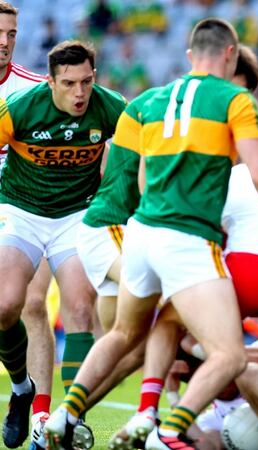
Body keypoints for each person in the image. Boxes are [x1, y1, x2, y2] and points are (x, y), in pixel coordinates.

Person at [43, 18, 258, 450]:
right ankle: (168, 429)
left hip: (139, 231)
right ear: (229, 55)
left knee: (129, 337)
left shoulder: (151, 101)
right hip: (167, 235)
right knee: (228, 354)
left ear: (190, 56)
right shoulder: (233, 101)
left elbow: (140, 174)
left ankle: (70, 415)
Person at [0, 39, 127, 449]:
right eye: (69, 83)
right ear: (50, 81)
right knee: (5, 306)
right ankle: (22, 389)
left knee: (80, 307)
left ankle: (71, 418)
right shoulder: (19, 107)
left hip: (77, 215)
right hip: (21, 210)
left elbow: (138, 153)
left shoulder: (111, 107)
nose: (79, 93)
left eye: (87, 82)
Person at [0, 3, 58, 449]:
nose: (4, 41)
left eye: (11, 34)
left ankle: (40, 422)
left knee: (33, 305)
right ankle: (21, 388)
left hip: (24, 207)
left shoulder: (35, 89)